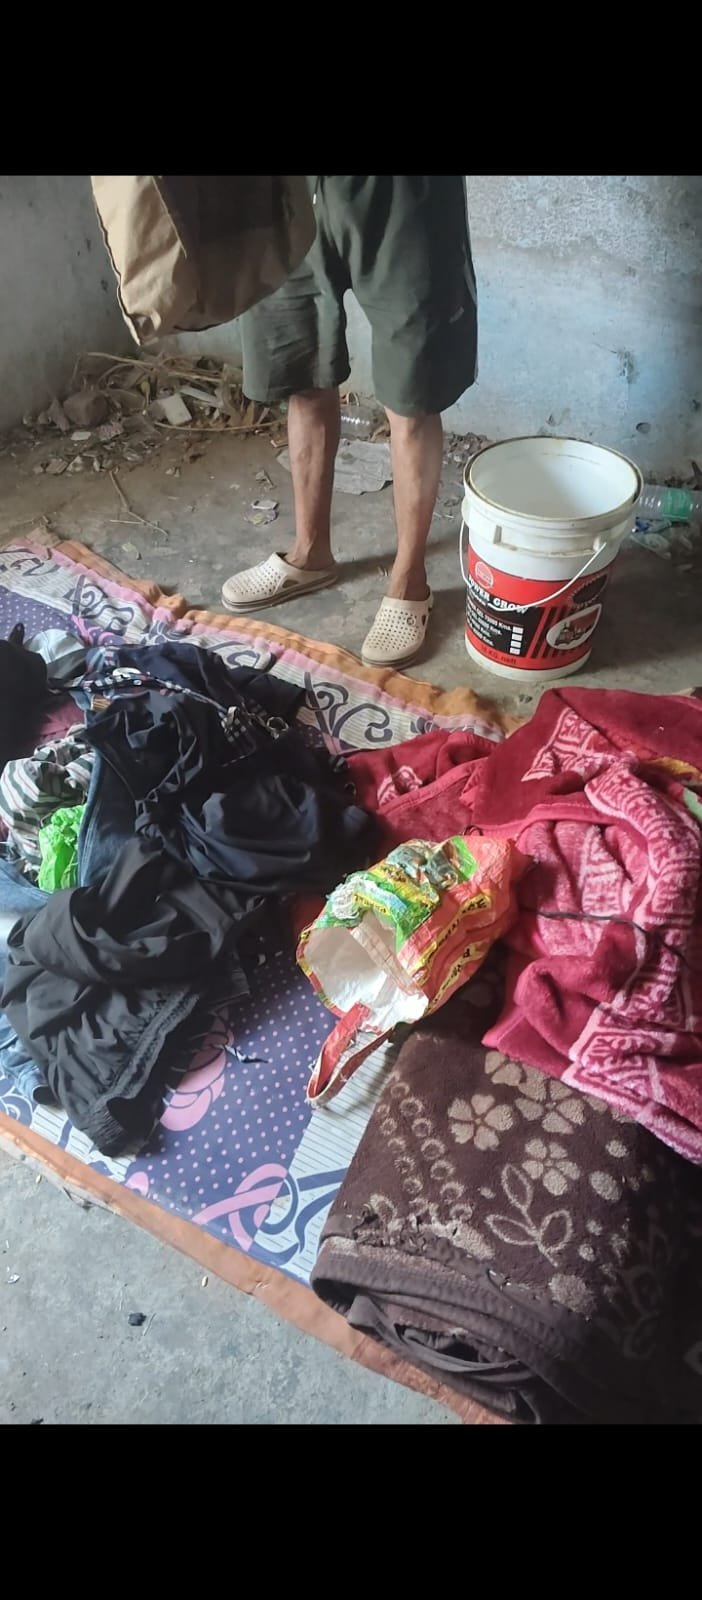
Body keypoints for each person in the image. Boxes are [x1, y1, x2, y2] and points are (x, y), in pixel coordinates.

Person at [222, 176, 478, 670]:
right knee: (302, 374)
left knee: (411, 396)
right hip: (288, 191)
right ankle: (309, 554)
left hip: (402, 195)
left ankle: (409, 580)